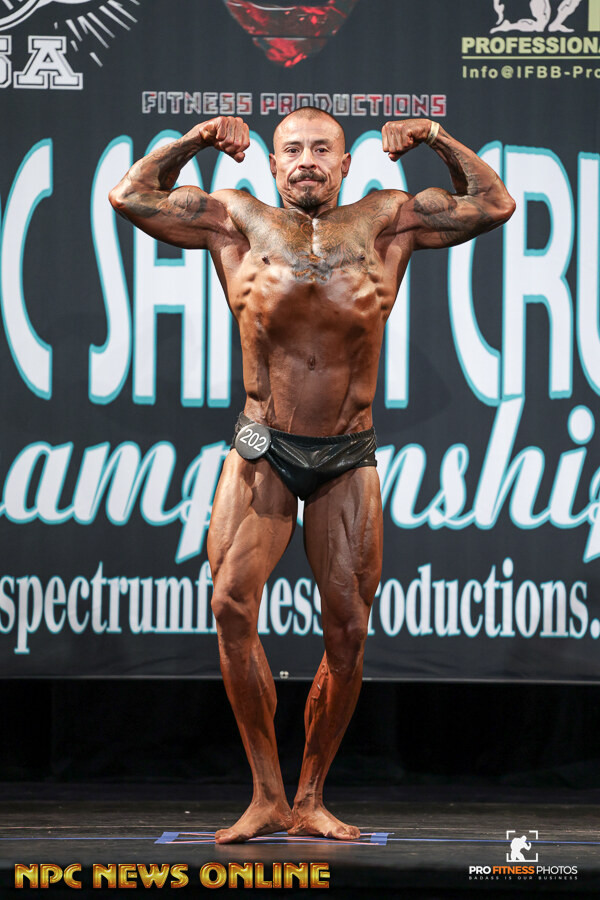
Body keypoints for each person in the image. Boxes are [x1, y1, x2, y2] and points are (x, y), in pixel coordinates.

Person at [109, 108, 515, 843]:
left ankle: (311, 796)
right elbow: (131, 196)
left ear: (345, 163)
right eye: (291, 150)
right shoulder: (236, 220)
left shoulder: (386, 220)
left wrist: (434, 138)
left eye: (321, 149)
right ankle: (267, 793)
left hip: (346, 453)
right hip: (262, 444)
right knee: (231, 606)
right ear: (271, 165)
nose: (306, 161)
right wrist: (197, 139)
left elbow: (494, 203)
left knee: (349, 631)